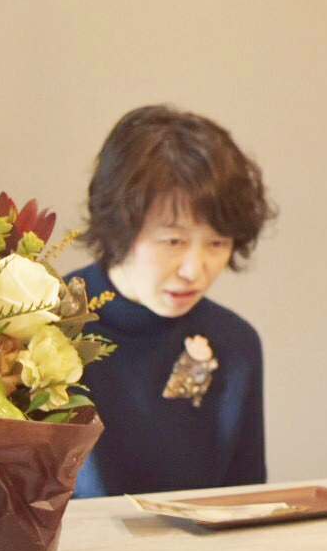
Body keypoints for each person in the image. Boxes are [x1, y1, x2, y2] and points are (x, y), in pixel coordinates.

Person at [70, 105, 275, 498]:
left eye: (217, 243)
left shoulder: (235, 343)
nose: (194, 271)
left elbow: (243, 504)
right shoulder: (38, 329)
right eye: (173, 241)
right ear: (117, 226)